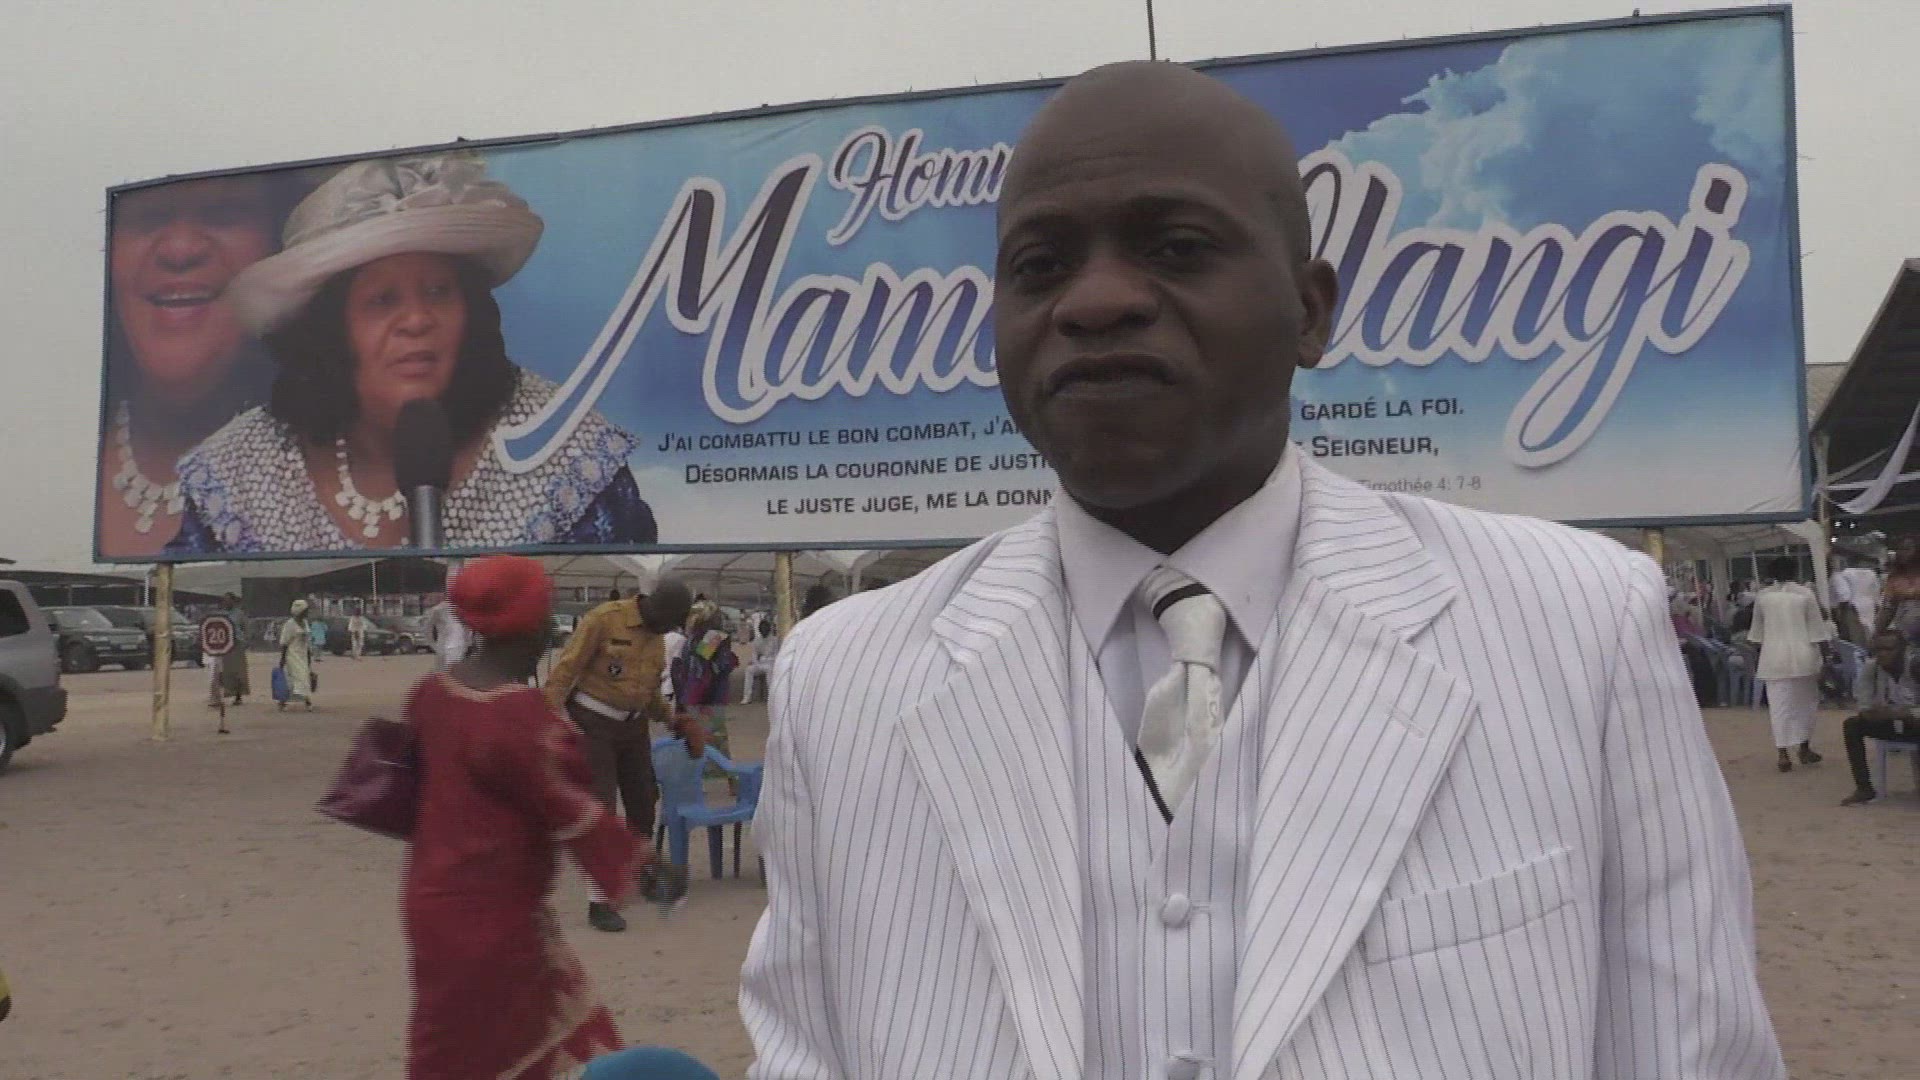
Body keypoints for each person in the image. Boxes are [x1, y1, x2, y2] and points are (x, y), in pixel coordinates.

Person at [740, 62, 1784, 1080]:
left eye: (1177, 247)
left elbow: (1691, 1053)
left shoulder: (1577, 625)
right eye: (1041, 265)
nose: (1094, 301)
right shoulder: (844, 682)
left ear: (1311, 311)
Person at [169, 153, 658, 554]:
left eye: (439, 292)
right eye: (383, 301)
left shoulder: (561, 444)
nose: (418, 320)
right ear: (328, 333)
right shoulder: (240, 469)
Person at [402, 554, 645, 1079]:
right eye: (547, 611)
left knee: (451, 1041)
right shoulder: (524, 719)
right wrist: (643, 866)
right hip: (495, 917)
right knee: (523, 1036)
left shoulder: (430, 694)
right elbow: (575, 811)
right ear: (529, 624)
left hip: (430, 903)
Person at [98, 174, 298, 558]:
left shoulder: (335, 474)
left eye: (223, 214)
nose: (180, 250)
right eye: (149, 218)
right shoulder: (51, 457)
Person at [545, 580, 698, 933]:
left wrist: (674, 720)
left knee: (643, 803)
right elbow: (565, 671)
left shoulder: (657, 638)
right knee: (602, 809)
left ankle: (638, 875)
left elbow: (648, 692)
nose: (670, 629)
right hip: (592, 723)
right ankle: (599, 902)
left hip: (633, 728)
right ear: (656, 608)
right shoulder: (604, 619)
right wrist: (548, 722)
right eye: (669, 621)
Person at [1750, 555, 1831, 772]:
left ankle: (1783, 754)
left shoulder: (1763, 597)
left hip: (1772, 659)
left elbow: (1756, 635)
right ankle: (1804, 748)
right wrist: (1827, 658)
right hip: (1804, 657)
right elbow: (1818, 631)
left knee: (1779, 707)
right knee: (1806, 704)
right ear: (1795, 572)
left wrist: (1760, 658)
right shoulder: (1805, 594)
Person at [1839, 632, 1920, 805]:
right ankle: (1864, 788)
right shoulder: (1872, 668)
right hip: (1890, 723)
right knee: (1852, 725)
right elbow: (1865, 709)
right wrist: (1896, 714)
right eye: (1878, 650)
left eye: (1889, 649)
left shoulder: (1915, 667)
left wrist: (1901, 713)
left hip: (1914, 724)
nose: (1882, 654)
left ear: (1903, 649)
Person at [205, 592, 251, 710]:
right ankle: (223, 694)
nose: (226, 602)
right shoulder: (221, 614)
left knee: (239, 671)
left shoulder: (239, 614)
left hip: (237, 644)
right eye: (224, 600)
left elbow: (246, 628)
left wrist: (246, 641)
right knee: (224, 671)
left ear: (233, 601)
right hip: (225, 645)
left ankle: (238, 695)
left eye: (228, 600)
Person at [277, 600, 315, 711]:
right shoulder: (290, 624)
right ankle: (304, 702)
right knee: (295, 679)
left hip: (303, 655)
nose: (307, 612)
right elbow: (284, 643)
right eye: (305, 610)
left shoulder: (305, 623)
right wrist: (282, 659)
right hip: (292, 655)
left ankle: (306, 701)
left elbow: (307, 641)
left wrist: (309, 654)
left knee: (304, 678)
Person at [740, 617, 778, 706]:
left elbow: (776, 655)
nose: (763, 630)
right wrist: (756, 663)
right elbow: (754, 654)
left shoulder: (774, 640)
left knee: (769, 671)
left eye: (765, 628)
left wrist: (767, 660)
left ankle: (771, 697)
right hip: (760, 663)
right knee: (749, 670)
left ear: (769, 629)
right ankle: (747, 696)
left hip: (771, 663)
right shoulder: (757, 640)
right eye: (762, 628)